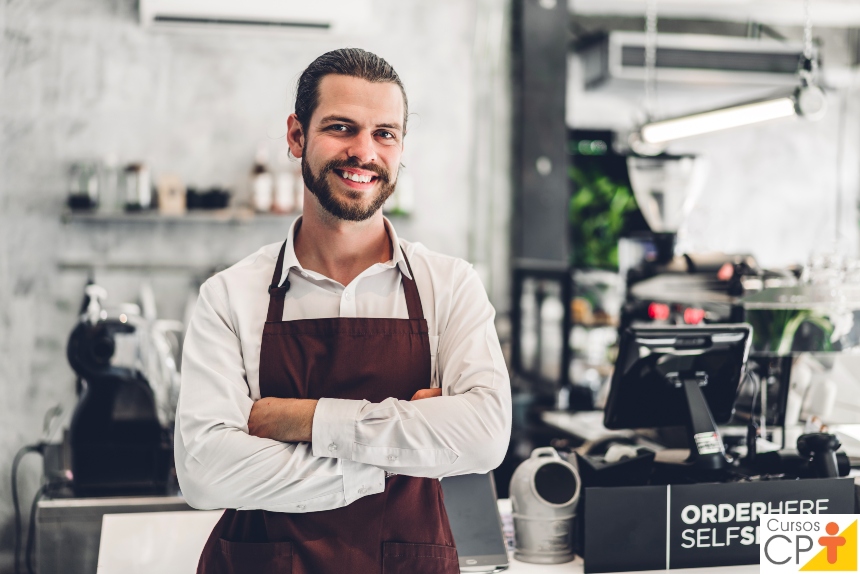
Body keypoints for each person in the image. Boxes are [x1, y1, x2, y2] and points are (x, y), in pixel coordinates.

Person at [175, 48, 512, 574]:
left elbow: (486, 436)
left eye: (385, 133)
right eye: (340, 127)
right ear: (296, 136)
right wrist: (398, 459)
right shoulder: (230, 296)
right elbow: (204, 472)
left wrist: (302, 419)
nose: (364, 151)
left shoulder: (450, 285)